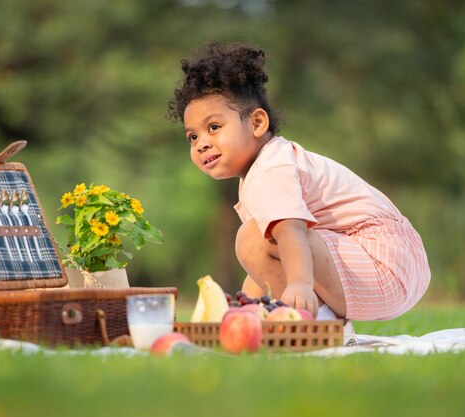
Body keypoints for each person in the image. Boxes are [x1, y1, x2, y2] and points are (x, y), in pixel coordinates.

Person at [167, 41, 430, 324]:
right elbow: (267, 264)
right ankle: (254, 319)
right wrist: (241, 311)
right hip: (396, 267)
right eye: (193, 137)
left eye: (214, 128)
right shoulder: (267, 166)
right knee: (259, 247)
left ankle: (323, 324)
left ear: (257, 123)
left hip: (385, 263)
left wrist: (300, 285)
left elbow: (290, 233)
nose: (202, 143)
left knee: (251, 240)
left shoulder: (271, 168)